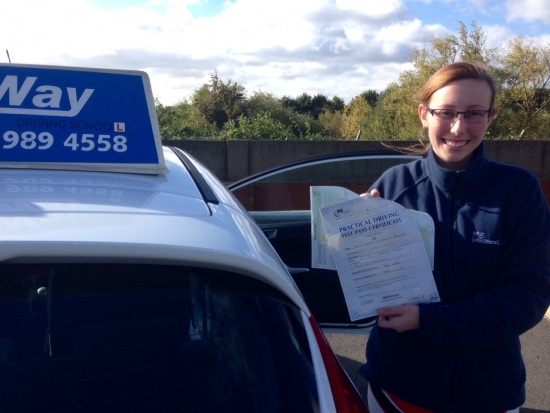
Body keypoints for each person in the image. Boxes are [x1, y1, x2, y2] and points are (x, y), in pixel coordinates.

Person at [359, 61, 550, 413]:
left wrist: (428, 320)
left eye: (474, 113)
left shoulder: (518, 191)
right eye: (445, 112)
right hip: (398, 389)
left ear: (491, 117)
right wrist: (346, 245)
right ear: (424, 114)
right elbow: (365, 292)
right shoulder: (392, 187)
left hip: (488, 393)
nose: (458, 127)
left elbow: (527, 299)